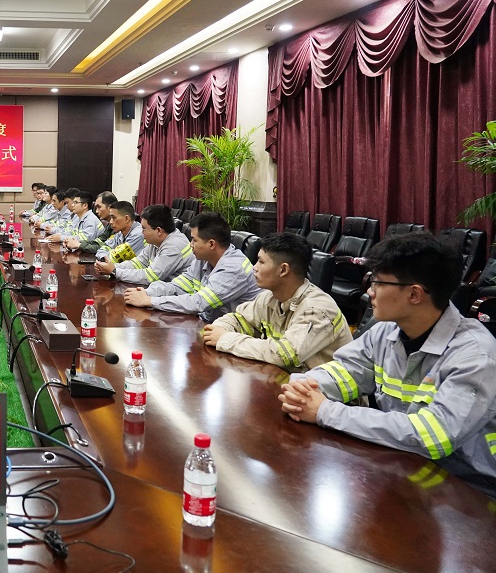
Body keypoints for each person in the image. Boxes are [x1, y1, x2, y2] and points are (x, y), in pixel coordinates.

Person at [279, 232, 496, 497]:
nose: (369, 291)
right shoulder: (385, 332)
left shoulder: (475, 355)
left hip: (469, 490)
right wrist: (302, 388)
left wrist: (325, 411)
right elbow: (344, 372)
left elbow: (433, 436)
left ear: (414, 294)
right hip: (403, 465)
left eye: (377, 282)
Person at [203, 232, 351, 370]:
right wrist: (218, 330)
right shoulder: (269, 297)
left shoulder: (317, 310)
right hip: (290, 380)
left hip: (327, 389)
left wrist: (225, 339)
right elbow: (239, 319)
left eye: (261, 262)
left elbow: (283, 355)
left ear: (283, 270)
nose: (254, 268)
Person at [124, 212, 261, 322]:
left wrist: (150, 301)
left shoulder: (233, 268)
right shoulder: (203, 259)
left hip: (236, 334)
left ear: (211, 244)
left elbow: (198, 303)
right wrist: (148, 292)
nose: (190, 244)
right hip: (208, 324)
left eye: (194, 240)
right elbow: (178, 286)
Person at [96, 204, 190, 285]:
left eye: (144, 228)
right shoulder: (155, 242)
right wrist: (111, 267)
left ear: (158, 230)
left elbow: (150, 276)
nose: (142, 232)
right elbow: (138, 263)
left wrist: (115, 271)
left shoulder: (174, 246)